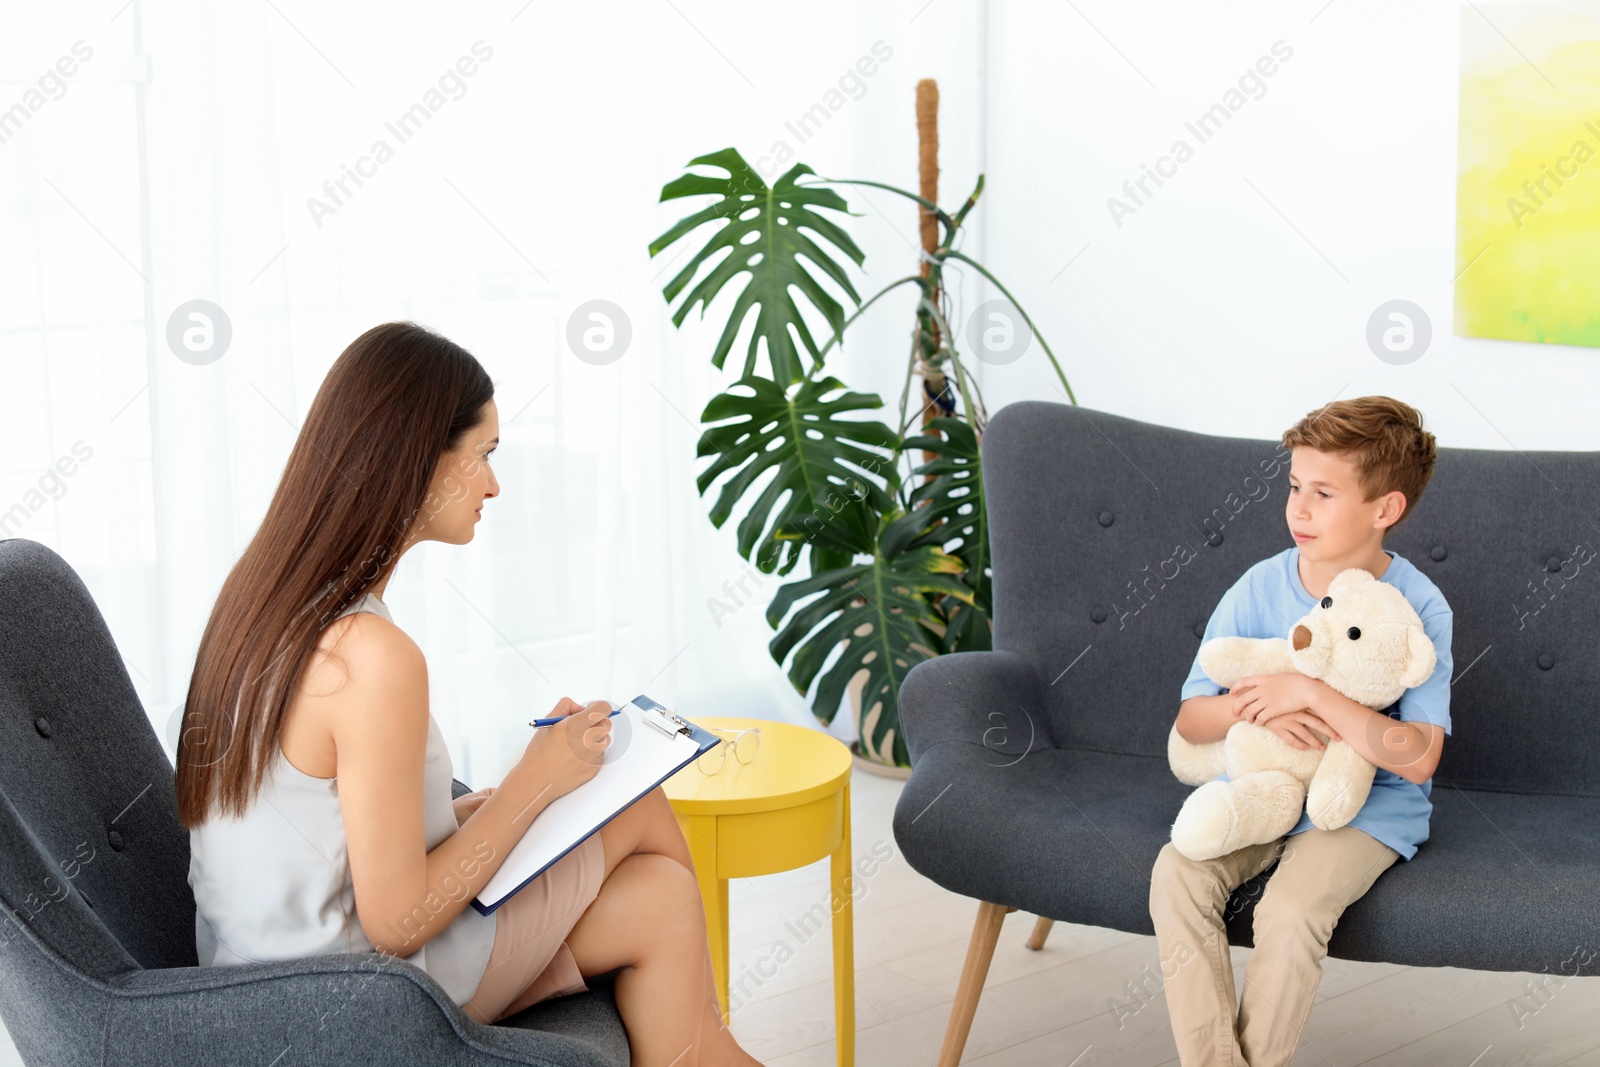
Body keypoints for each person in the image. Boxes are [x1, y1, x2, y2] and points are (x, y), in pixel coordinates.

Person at [175, 321, 764, 1066]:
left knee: (658, 900)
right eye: (483, 455)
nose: (492, 483)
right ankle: (718, 1045)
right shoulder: (371, 655)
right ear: (419, 462)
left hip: (262, 987)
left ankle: (712, 1045)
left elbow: (326, 833)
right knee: (637, 800)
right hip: (360, 1002)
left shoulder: (263, 598)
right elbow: (397, 921)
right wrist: (533, 783)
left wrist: (505, 798)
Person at [1149, 395, 1453, 1067]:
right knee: (1177, 871)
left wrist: (1311, 691)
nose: (1299, 508)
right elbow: (1191, 718)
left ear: (1386, 510)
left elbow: (1420, 756)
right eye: (1294, 487)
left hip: (1363, 812)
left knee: (1287, 914)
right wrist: (1260, 706)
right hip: (1258, 788)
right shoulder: (1257, 588)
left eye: (1322, 492)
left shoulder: (1418, 607)